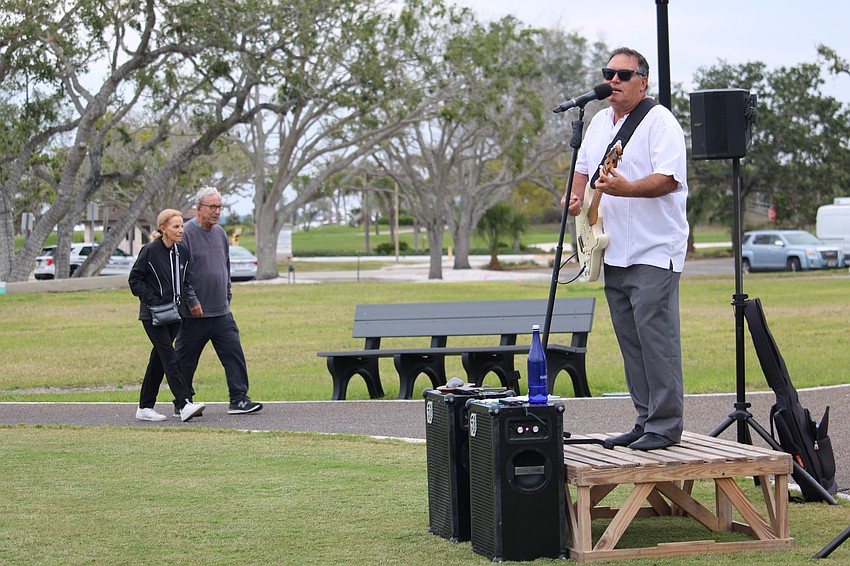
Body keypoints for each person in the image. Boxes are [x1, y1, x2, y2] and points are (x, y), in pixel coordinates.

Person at [563, 47, 689, 451]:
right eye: (608, 73)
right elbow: (583, 165)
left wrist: (626, 189)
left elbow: (669, 179)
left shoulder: (660, 121)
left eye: (622, 74)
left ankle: (666, 426)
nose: (613, 81)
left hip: (654, 250)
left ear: (642, 81)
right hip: (611, 248)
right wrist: (577, 196)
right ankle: (644, 419)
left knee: (657, 340)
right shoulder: (599, 121)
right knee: (630, 342)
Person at [175, 186, 263, 415]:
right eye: (212, 207)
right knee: (186, 360)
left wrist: (228, 294)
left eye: (219, 207)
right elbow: (181, 275)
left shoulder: (220, 233)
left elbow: (225, 266)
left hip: (221, 311)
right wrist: (191, 301)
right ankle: (182, 403)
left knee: (234, 354)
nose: (217, 211)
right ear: (199, 208)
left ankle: (239, 399)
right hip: (195, 313)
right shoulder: (185, 235)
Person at [129, 209, 206, 422]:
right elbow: (135, 280)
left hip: (174, 315)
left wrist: (187, 303)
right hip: (152, 315)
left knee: (158, 360)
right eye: (175, 226)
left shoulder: (182, 253)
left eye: (182, 226)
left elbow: (184, 281)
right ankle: (184, 404)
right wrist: (153, 300)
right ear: (163, 228)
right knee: (170, 357)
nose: (181, 230)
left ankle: (145, 407)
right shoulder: (150, 251)